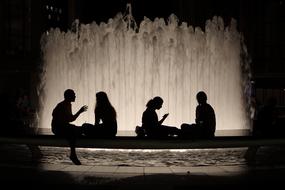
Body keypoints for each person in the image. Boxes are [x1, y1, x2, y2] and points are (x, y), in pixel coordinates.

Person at [51, 89, 88, 165]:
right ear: (68, 96)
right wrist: (79, 111)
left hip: (63, 127)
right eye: (73, 94)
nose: (75, 96)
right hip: (58, 128)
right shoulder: (62, 105)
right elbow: (69, 119)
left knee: (79, 129)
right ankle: (73, 155)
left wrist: (79, 112)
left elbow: (70, 119)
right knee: (74, 131)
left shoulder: (67, 104)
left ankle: (73, 154)